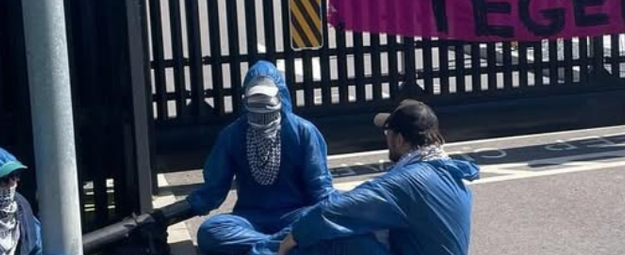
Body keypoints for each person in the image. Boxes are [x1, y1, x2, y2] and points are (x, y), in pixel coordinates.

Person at [276, 99, 480, 255]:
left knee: (336, 238)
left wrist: (288, 242)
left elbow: (332, 212)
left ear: (399, 139)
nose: (387, 141)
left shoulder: (409, 181)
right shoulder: (449, 172)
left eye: (387, 134)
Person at [191, 60, 335, 255]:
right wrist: (167, 215)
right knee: (210, 231)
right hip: (250, 217)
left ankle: (268, 248)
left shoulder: (303, 131)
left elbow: (320, 187)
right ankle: (282, 246)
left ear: (280, 96)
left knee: (321, 221)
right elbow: (212, 190)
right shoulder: (233, 134)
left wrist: (343, 211)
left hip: (295, 214)